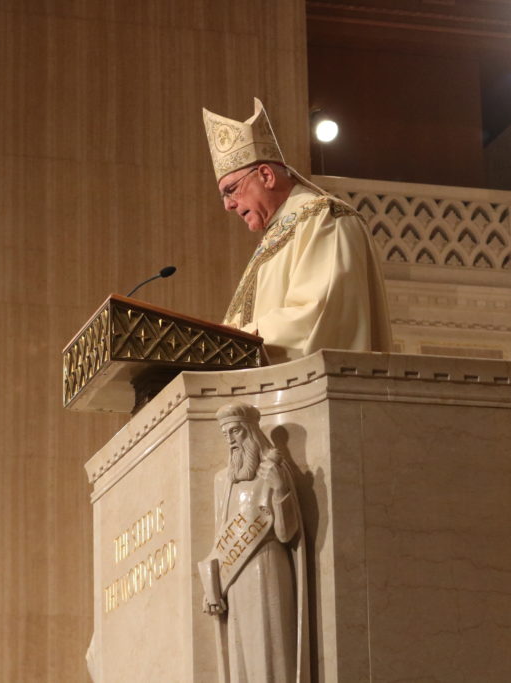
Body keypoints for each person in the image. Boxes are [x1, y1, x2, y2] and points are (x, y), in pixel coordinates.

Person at [202, 98, 392, 364]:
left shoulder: (326, 217)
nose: (228, 205)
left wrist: (233, 343)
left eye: (231, 190)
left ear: (266, 176)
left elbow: (318, 315)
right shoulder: (274, 237)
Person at [198, 401, 308, 683]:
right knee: (241, 652)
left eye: (235, 431)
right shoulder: (223, 481)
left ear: (251, 431)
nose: (231, 440)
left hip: (266, 565)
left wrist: (280, 489)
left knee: (269, 643)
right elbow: (220, 537)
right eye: (225, 434)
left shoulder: (274, 471)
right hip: (234, 575)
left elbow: (286, 533)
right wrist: (212, 584)